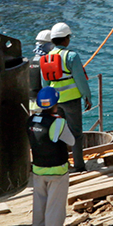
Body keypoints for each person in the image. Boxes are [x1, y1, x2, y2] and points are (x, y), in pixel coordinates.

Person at [28, 86, 75, 226]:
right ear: (56, 104)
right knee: (55, 209)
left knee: (39, 205)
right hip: (57, 172)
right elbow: (71, 141)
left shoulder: (31, 121)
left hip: (38, 170)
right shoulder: (58, 122)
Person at [40, 23, 91, 172]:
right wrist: (87, 97)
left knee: (59, 133)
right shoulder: (71, 56)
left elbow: (45, 85)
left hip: (55, 102)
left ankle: (62, 164)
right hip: (71, 101)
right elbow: (80, 80)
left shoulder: (46, 58)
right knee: (76, 134)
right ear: (66, 39)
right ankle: (79, 166)